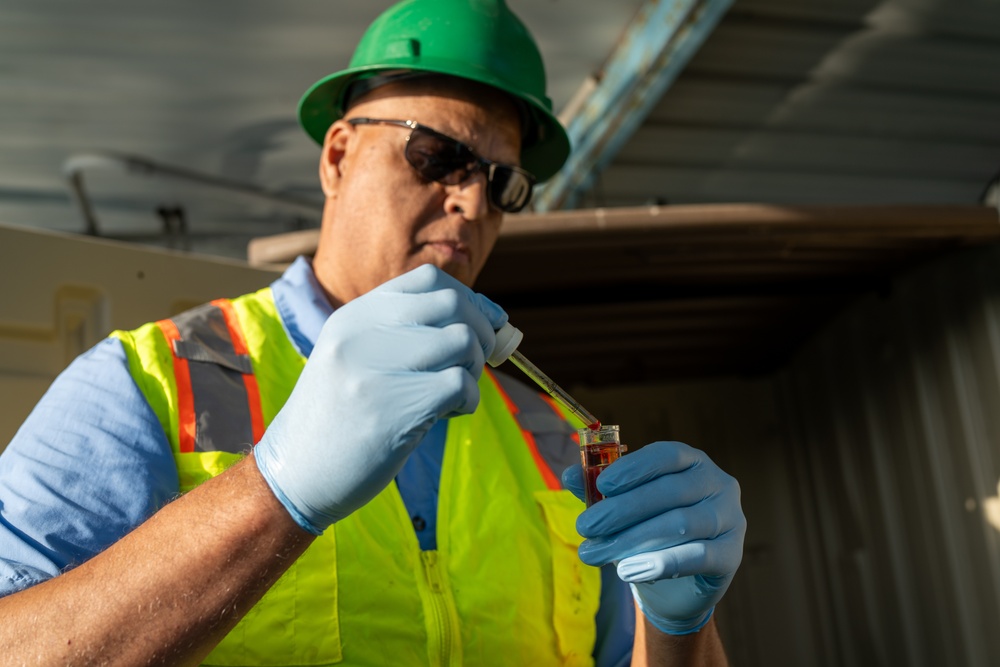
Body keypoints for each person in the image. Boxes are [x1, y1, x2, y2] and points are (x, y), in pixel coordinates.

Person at [0, 0, 746, 664]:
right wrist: (274, 493)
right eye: (437, 155)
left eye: (502, 183)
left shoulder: (554, 439)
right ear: (336, 157)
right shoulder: (150, 381)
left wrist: (681, 630)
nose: (469, 202)